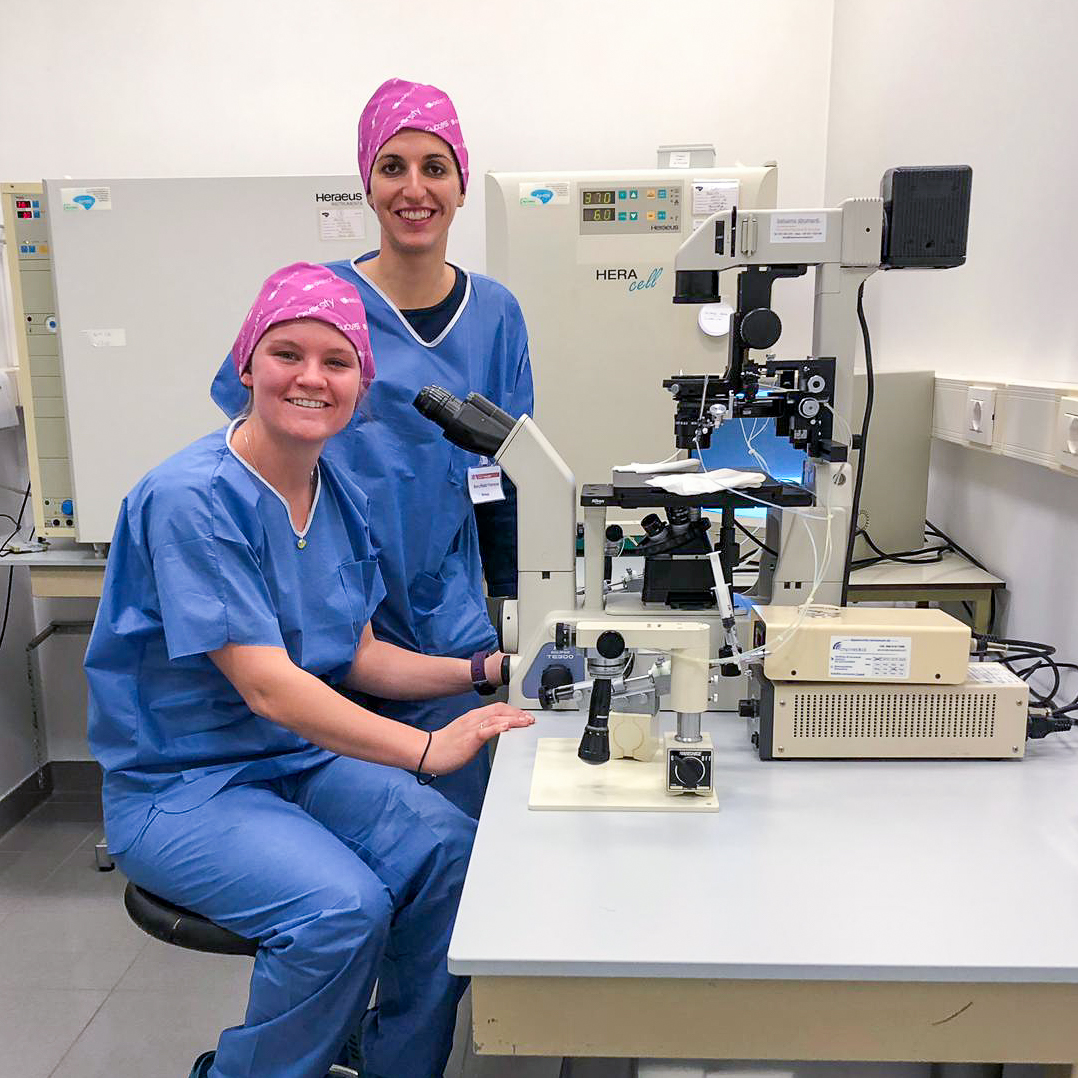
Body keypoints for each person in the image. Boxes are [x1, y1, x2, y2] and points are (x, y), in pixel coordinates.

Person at [85, 263, 533, 1078]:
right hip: (182, 789)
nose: (311, 378)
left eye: (337, 362)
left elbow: (361, 656)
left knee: (454, 855)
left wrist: (492, 669)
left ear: (362, 385)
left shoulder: (337, 494)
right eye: (287, 353)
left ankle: (398, 1060)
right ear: (246, 366)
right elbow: (267, 684)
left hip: (294, 763)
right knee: (340, 910)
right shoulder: (190, 498)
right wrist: (427, 751)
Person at [211, 78, 534, 819]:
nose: (413, 188)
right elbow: (248, 452)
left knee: (454, 829)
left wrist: (522, 608)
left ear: (459, 186)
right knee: (351, 830)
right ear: (367, 183)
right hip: (319, 607)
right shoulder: (318, 304)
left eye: (434, 167)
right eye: (392, 167)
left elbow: (509, 474)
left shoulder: (497, 314)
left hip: (441, 615)